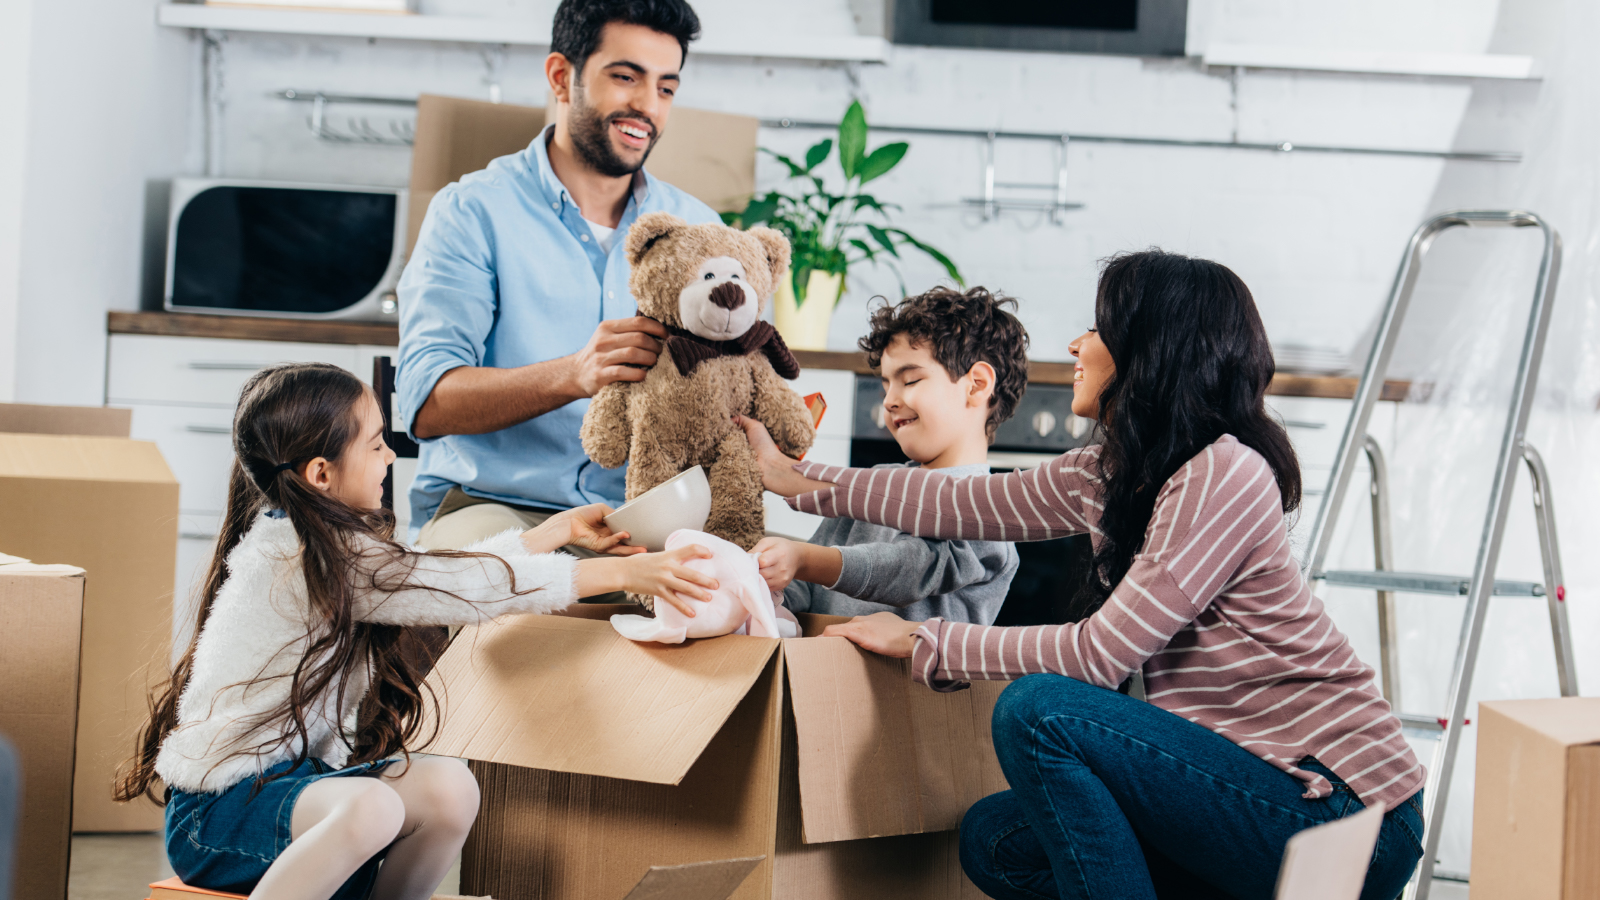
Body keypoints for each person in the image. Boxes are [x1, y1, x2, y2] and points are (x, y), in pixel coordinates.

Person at [741, 250, 1425, 900]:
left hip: (1341, 814)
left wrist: (931, 642)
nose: (1074, 345)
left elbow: (1100, 655)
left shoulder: (1224, 472)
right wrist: (792, 481)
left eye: (1098, 328)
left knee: (1040, 712)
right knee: (998, 839)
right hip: (1244, 793)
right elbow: (953, 500)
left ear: (1150, 350)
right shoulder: (1106, 476)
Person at [115, 363, 715, 900]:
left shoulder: (332, 547)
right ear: (322, 473)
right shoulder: (302, 558)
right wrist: (616, 571)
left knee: (450, 789)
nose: (389, 458)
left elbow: (438, 577)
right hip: (215, 818)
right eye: (376, 444)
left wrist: (554, 532)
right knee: (373, 805)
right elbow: (458, 589)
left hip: (301, 791)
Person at [396, 0, 720, 555]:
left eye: (666, 88)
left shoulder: (701, 233)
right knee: (511, 594)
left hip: (643, 519)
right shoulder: (472, 212)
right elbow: (425, 404)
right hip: (491, 508)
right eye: (625, 78)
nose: (647, 106)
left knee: (765, 596)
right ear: (561, 77)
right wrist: (574, 374)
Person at [746, 287, 1024, 624]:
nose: (889, 400)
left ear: (977, 385)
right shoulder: (869, 487)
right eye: (886, 385)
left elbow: (908, 570)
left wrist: (803, 558)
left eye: (910, 380)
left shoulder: (989, 515)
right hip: (820, 670)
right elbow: (804, 590)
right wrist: (761, 582)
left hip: (902, 679)